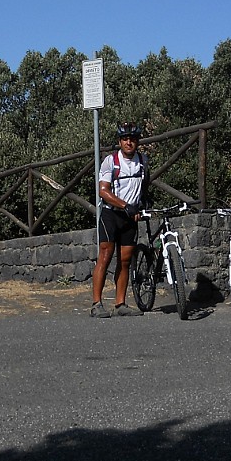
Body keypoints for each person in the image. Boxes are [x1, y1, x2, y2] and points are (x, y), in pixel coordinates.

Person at [91, 121, 149, 318]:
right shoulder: (111, 161)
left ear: (137, 141)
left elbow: (144, 185)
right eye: (125, 139)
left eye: (132, 139)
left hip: (130, 217)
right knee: (105, 257)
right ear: (120, 141)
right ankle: (96, 304)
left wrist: (143, 203)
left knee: (125, 261)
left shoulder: (143, 160)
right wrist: (125, 205)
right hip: (111, 214)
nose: (129, 143)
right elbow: (103, 191)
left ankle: (120, 304)